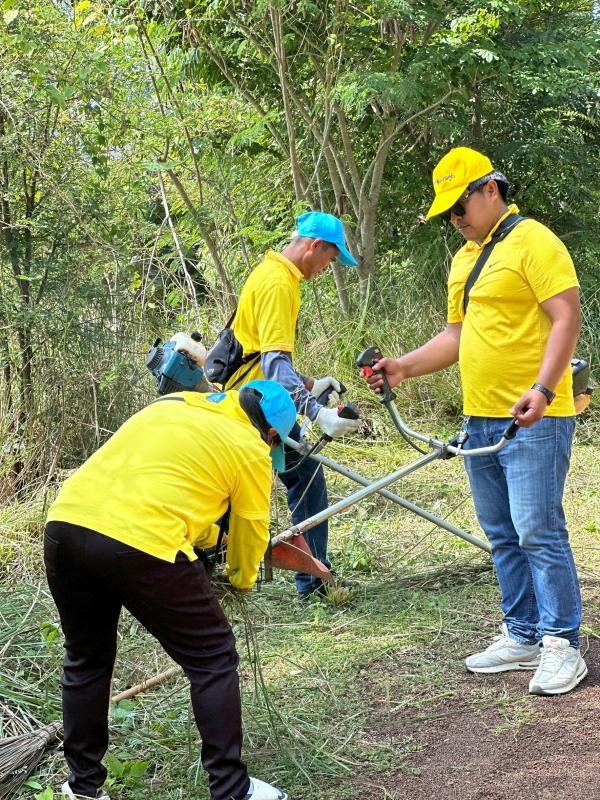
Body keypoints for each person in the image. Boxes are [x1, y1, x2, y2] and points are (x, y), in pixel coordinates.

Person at [366, 146, 587, 696]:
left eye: (459, 206)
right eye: (447, 213)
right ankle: (523, 634)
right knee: (502, 534)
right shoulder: (465, 259)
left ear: (490, 189)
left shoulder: (535, 242)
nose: (455, 219)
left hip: (534, 417)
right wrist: (402, 367)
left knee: (538, 529)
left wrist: (544, 388)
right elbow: (456, 336)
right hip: (480, 418)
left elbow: (566, 317)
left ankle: (563, 644)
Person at [44, 380, 296, 800]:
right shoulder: (250, 448)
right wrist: (240, 580)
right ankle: (232, 790)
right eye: (275, 446)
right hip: (140, 541)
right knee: (213, 657)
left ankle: (82, 789)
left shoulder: (173, 405)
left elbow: (163, 487)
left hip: (66, 525)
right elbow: (252, 530)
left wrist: (208, 539)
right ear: (271, 434)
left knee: (86, 658)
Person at [221, 211, 361, 599]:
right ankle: (310, 582)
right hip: (254, 407)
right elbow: (273, 363)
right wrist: (317, 413)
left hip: (259, 398)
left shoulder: (275, 273)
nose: (328, 267)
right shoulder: (279, 283)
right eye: (331, 258)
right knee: (299, 479)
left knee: (300, 477)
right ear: (315, 246)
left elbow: (262, 354)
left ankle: (310, 579)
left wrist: (311, 385)